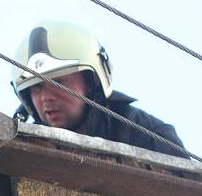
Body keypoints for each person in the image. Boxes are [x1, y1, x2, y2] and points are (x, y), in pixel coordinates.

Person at [11, 21, 184, 156]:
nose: (46, 98)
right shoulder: (23, 149)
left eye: (59, 83)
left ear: (91, 83)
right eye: (36, 88)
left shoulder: (146, 134)